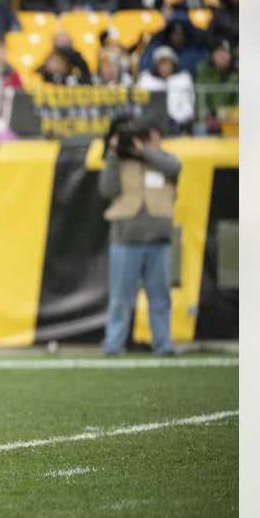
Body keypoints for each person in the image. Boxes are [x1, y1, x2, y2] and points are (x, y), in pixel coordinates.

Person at [99, 117, 181, 356]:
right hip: (126, 237)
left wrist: (143, 151)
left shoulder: (166, 159)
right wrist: (114, 154)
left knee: (160, 296)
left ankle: (163, 343)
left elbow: (175, 169)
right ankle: (113, 345)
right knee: (120, 298)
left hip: (159, 237)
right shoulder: (120, 162)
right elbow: (107, 189)